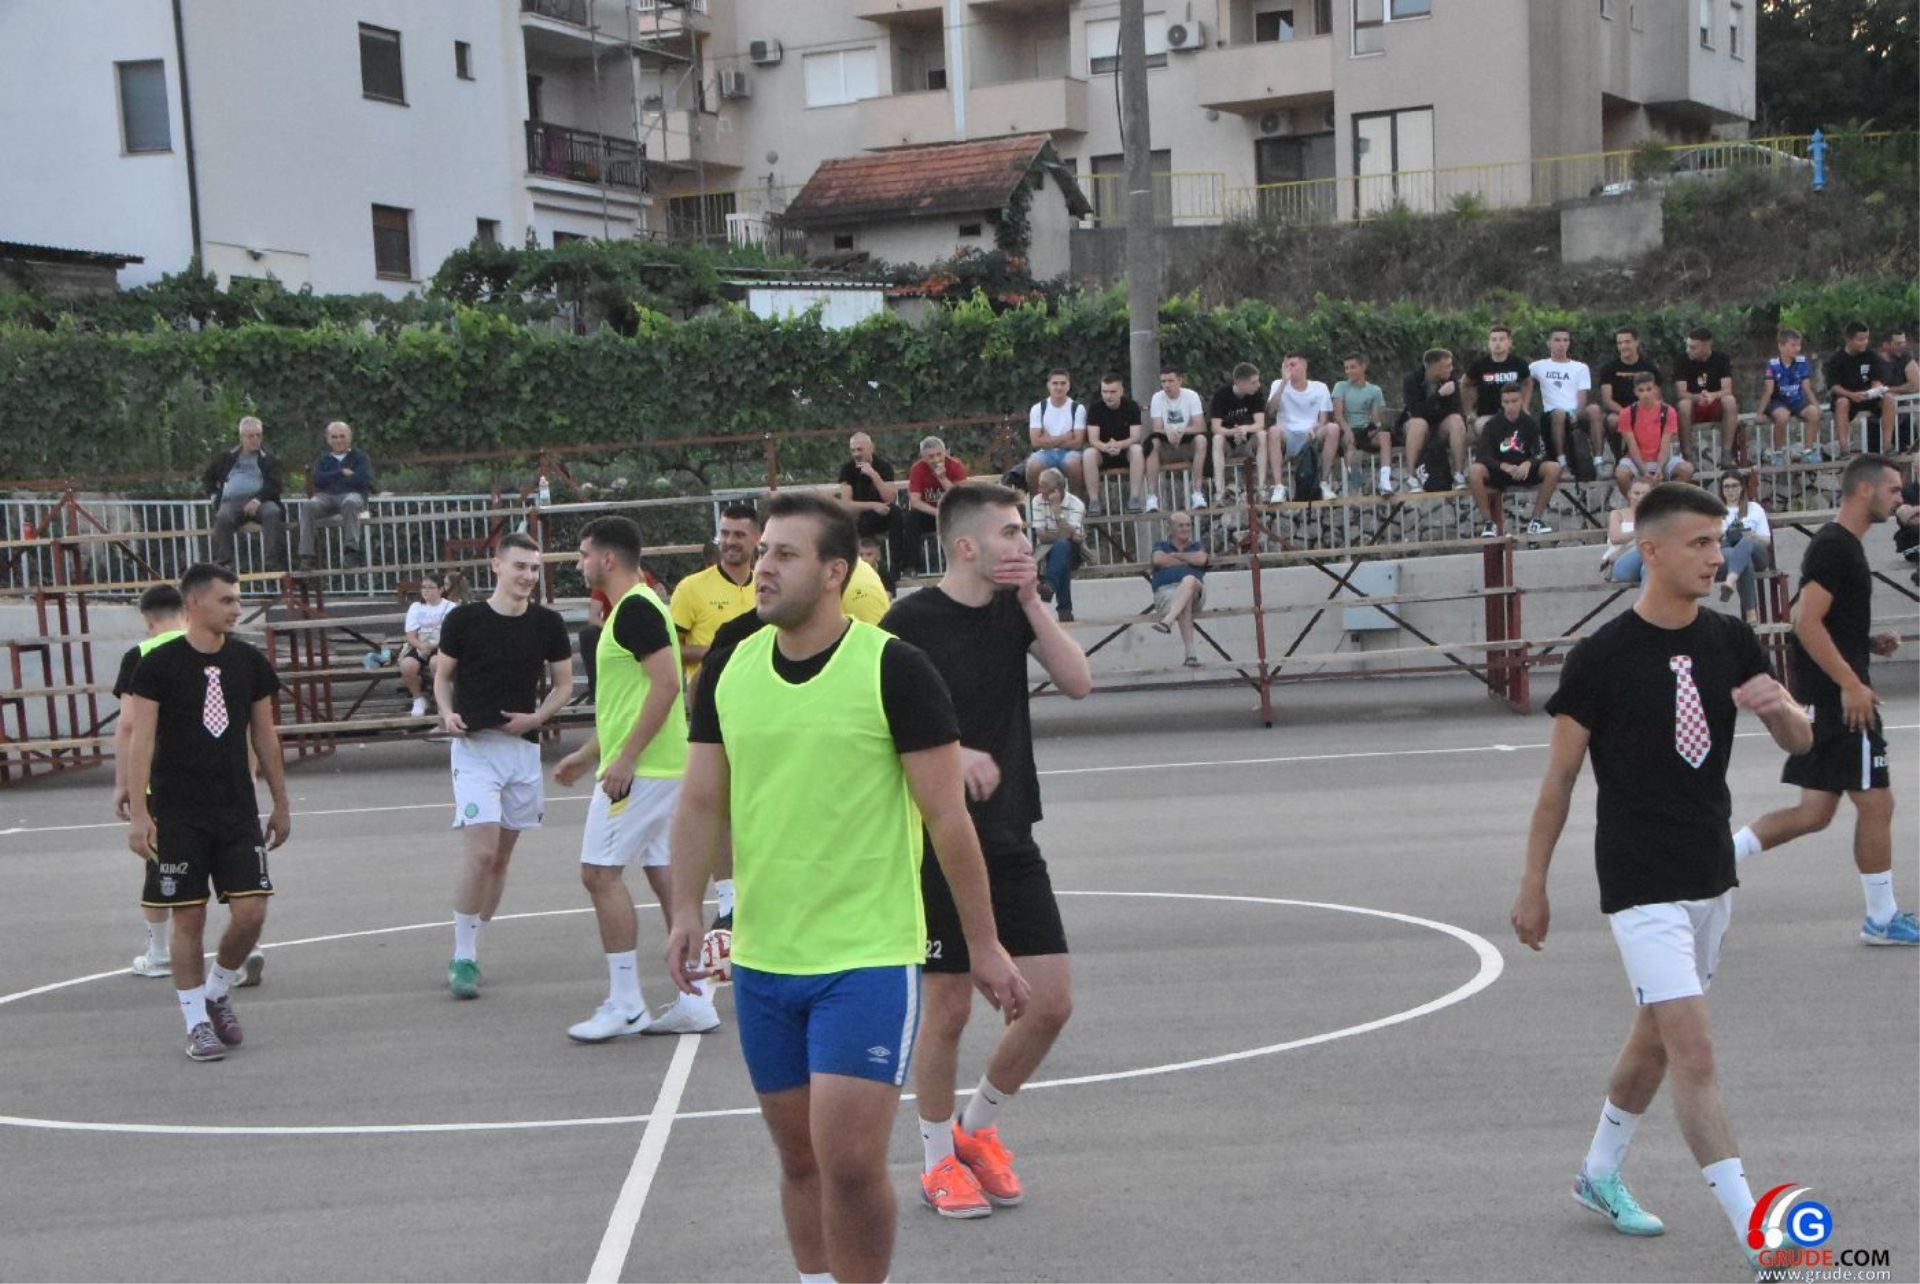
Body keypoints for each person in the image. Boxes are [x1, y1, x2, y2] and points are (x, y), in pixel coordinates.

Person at [662, 490, 1028, 1284]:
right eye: (762, 551)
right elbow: (699, 800)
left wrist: (985, 944)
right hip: (763, 960)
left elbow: (948, 820)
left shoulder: (894, 668)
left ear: (835, 572)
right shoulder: (730, 664)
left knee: (852, 1166)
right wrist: (687, 908)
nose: (762, 566)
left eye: (783, 555)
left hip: (865, 957)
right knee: (799, 1161)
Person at [1511, 482, 1811, 1276]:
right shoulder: (1600, 657)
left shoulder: (1731, 638)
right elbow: (1559, 781)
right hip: (1638, 877)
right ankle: (1760, 1235)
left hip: (1710, 870)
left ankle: (1597, 1172)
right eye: (1700, 543)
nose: (1717, 556)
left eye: (1720, 541)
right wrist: (1534, 883)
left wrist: (1779, 711)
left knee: (1655, 1035)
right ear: (1650, 551)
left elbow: (1800, 737)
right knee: (1694, 1051)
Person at [881, 481, 1091, 1220]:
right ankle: (937, 1159)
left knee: (1049, 1003)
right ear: (966, 545)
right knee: (948, 1009)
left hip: (1009, 831)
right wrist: (951, 753)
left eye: (1024, 531)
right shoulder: (907, 624)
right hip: (935, 839)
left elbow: (1078, 681)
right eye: (1011, 531)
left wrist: (1033, 602)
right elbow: (872, 724)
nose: (1024, 542)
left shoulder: (1014, 610)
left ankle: (976, 1128)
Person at [1732, 454, 1920, 945]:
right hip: (1842, 703)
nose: (1900, 499)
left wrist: (1866, 643)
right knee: (1877, 803)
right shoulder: (1835, 547)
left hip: (1828, 697)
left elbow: (1825, 624)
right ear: (1865, 490)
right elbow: (1805, 623)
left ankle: (1715, 859)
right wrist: (1851, 683)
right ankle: (1882, 919)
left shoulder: (1841, 546)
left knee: (1814, 812)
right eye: (1894, 490)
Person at [553, 516, 717, 1041]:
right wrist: (589, 755)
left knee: (598, 873)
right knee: (665, 874)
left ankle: (626, 1003)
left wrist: (624, 760)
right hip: (658, 766)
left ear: (607, 558)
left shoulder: (635, 610)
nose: (579, 564)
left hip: (643, 771)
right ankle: (696, 997)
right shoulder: (633, 608)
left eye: (583, 554)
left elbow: (667, 685)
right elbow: (630, 703)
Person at [123, 563, 291, 1061]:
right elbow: (140, 741)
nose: (236, 609)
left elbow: (264, 735)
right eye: (227, 600)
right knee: (189, 918)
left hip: (236, 808)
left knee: (252, 911)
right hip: (178, 812)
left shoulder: (248, 662)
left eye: (237, 599)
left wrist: (281, 802)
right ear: (194, 603)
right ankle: (195, 1020)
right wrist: (140, 813)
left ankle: (217, 991)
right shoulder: (157, 665)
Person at [432, 532, 575, 998]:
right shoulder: (464, 619)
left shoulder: (547, 623)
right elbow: (442, 677)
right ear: (496, 565)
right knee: (481, 854)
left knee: (500, 859)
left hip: (522, 751)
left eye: (533, 568)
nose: (528, 576)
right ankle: (463, 955)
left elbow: (564, 685)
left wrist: (536, 718)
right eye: (520, 566)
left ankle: (475, 941)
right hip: (476, 749)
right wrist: (446, 712)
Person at [112, 584, 265, 989]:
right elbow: (246, 723)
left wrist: (123, 783)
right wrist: (250, 771)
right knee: (236, 868)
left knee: (166, 873)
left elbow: (129, 726)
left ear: (146, 619)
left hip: (168, 785)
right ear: (187, 611)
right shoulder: (218, 649)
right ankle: (246, 945)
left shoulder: (143, 656)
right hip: (228, 780)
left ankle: (159, 953)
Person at [671, 504, 761, 681]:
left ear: (757, 538)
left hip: (759, 690)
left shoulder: (766, 587)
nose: (730, 541)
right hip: (710, 692)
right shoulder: (690, 587)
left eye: (739, 535)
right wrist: (719, 652)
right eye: (725, 533)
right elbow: (669, 649)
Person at [1468, 384, 1561, 537]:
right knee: (1474, 470)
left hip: (1524, 471)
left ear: (1521, 401)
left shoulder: (1530, 423)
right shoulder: (1491, 425)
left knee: (1553, 467)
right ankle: (1488, 523)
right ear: (1501, 402)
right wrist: (1501, 466)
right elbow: (1482, 455)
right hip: (1500, 472)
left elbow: (1541, 452)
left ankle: (1536, 521)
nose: (1510, 406)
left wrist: (1529, 463)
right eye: (1506, 402)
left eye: (1514, 401)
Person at [203, 416, 288, 573]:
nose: (255, 440)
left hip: (262, 501)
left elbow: (275, 485)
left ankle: (272, 564)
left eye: (258, 435)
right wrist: (213, 494)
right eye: (250, 436)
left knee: (273, 512)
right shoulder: (226, 457)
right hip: (233, 501)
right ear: (241, 437)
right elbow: (208, 477)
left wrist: (257, 499)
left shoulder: (268, 459)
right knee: (223, 518)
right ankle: (224, 565)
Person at [297, 420, 375, 570]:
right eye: (334, 437)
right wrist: (341, 473)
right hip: (326, 497)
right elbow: (317, 480)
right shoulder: (323, 459)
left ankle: (351, 552)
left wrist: (331, 478)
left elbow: (362, 479)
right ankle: (306, 556)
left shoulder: (360, 457)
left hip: (352, 495)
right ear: (328, 439)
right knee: (308, 506)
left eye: (342, 436)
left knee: (350, 503)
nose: (338, 440)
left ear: (349, 437)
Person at [1267, 354, 1342, 502]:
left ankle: (1324, 483)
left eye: (1293, 365)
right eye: (1286, 365)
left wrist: (1316, 427)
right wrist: (1283, 383)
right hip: (1287, 434)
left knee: (1333, 428)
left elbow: (1323, 420)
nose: (1289, 368)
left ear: (1304, 366)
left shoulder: (1320, 387)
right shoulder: (1277, 384)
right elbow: (1270, 411)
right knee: (1273, 430)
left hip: (1311, 434)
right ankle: (1278, 487)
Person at [1530, 328, 1602, 477]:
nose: (1561, 344)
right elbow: (1523, 380)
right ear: (1549, 343)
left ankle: (1599, 462)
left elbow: (1582, 395)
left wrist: (1576, 414)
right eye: (1557, 340)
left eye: (1565, 340)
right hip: (1553, 414)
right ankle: (1562, 465)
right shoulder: (1537, 366)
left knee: (1594, 409)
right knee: (1559, 413)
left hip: (1574, 411)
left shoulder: (1580, 367)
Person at [1613, 373, 1694, 499]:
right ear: (1635, 392)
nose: (1645, 394)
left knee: (1686, 469)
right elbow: (1632, 446)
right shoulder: (1626, 413)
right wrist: (1644, 471)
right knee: (1621, 474)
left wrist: (1660, 468)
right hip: (1636, 459)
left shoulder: (1668, 411)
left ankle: (1668, 501)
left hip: (1661, 459)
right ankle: (1635, 504)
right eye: (1641, 390)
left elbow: (1665, 443)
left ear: (1655, 389)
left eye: (1649, 389)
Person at [1397, 349, 1468, 492]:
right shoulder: (1412, 380)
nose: (1451, 369)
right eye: (1447, 366)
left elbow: (1456, 409)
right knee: (1419, 423)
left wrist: (1432, 409)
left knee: (1456, 420)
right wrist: (1439, 395)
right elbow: (1415, 411)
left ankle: (1459, 475)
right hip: (1416, 427)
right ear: (1434, 367)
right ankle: (1411, 477)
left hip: (1439, 426)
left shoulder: (1451, 379)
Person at [1672, 327, 1743, 466]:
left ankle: (1727, 454)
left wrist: (1712, 396)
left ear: (1705, 347)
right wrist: (1699, 398)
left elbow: (1727, 389)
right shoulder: (1681, 360)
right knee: (1683, 404)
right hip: (1693, 406)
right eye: (1688, 346)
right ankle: (1687, 456)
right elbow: (1681, 393)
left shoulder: (1721, 359)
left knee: (1730, 401)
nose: (1688, 350)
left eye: (1693, 347)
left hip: (1714, 405)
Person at [1145, 365, 1209, 513]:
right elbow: (1157, 428)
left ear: (1180, 381)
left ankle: (1197, 493)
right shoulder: (1157, 397)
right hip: (1166, 445)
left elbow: (1200, 426)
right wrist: (1169, 432)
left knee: (1201, 440)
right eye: (1163, 381)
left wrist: (1180, 431)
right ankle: (1152, 497)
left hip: (1186, 444)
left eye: (1170, 381)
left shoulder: (1191, 395)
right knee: (1153, 443)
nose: (1166, 385)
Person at [1149, 511, 1208, 667]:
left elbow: (1201, 559)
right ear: (1171, 529)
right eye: (1181, 525)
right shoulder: (1161, 545)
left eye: (1188, 525)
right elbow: (1159, 560)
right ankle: (1190, 655)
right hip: (1167, 595)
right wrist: (1188, 559)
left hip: (1196, 594)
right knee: (1184, 598)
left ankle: (1168, 621)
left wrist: (1175, 556)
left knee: (1189, 580)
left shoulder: (1196, 545)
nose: (1186, 528)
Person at [1596, 327, 1663, 464]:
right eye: (1619, 343)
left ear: (1636, 342)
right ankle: (1618, 457)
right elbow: (1607, 400)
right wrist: (1627, 413)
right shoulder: (1609, 369)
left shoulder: (1650, 368)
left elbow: (1657, 397)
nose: (1623, 346)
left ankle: (1647, 457)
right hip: (1619, 411)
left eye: (1627, 342)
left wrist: (1642, 413)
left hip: (1646, 410)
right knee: (1613, 421)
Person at [1825, 321, 1892, 456]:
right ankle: (1844, 450)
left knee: (1889, 399)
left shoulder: (1871, 356)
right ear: (1849, 340)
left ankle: (1887, 446)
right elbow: (1834, 386)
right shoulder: (1836, 359)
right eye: (1860, 340)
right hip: (1847, 396)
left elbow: (1877, 379)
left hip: (1868, 396)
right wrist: (1851, 395)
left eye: (1866, 339)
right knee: (1842, 403)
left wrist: (1876, 389)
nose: (1864, 343)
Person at [1082, 372, 1146, 512]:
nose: (1108, 396)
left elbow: (1136, 437)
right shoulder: (1095, 408)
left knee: (1137, 450)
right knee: (1088, 454)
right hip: (1103, 452)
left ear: (1121, 391)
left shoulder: (1132, 406)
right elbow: (1093, 439)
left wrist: (1119, 445)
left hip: (1126, 451)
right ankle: (1094, 501)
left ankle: (1134, 498)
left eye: (1112, 392)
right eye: (1104, 392)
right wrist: (1106, 447)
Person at [1028, 467, 1084, 623]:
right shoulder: (1037, 500)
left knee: (1063, 547)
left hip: (1074, 551)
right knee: (1062, 550)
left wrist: (1057, 510)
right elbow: (1041, 535)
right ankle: (1064, 609)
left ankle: (1050, 585)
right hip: (1048, 552)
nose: (1039, 490)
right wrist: (1067, 534)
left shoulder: (1076, 504)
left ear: (1056, 489)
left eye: (1043, 486)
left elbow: (1070, 537)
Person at [1209, 362, 1271, 503]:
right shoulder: (1221, 395)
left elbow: (1260, 424)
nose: (1258, 385)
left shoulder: (1256, 394)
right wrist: (1233, 432)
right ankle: (1219, 491)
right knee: (1217, 439)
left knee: (1262, 435)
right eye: (1253, 382)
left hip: (1248, 441)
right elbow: (1215, 427)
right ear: (1240, 382)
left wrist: (1245, 429)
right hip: (1229, 442)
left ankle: (1261, 488)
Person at [1715, 473, 1772, 626]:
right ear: (1721, 490)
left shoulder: (1754, 508)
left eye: (1734, 486)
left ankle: (1730, 581)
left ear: (1741, 488)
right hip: (1730, 554)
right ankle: (1751, 613)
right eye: (1726, 487)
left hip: (1757, 554)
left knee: (1745, 542)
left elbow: (1767, 541)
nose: (1731, 490)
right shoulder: (1716, 512)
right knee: (1743, 560)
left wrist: (1753, 536)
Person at [1332, 354, 1392, 495]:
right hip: (1347, 428)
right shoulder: (1340, 386)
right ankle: (1355, 486)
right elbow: (1338, 416)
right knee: (1350, 445)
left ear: (1363, 367)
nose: (1349, 371)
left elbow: (1376, 418)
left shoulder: (1374, 390)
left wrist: (1374, 427)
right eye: (1346, 368)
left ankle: (1385, 481)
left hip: (1365, 430)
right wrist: (1348, 431)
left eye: (1352, 367)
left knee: (1385, 436)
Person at [1761, 329, 1823, 464]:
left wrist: (1816, 405)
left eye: (1798, 345)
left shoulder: (1802, 362)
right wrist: (1760, 412)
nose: (1797, 349)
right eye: (1793, 345)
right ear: (1781, 346)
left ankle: (1808, 451)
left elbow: (1807, 388)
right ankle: (1778, 453)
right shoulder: (1773, 364)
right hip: (1778, 401)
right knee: (1782, 416)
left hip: (1797, 401)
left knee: (1813, 412)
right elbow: (1768, 391)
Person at [907, 436, 970, 571]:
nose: (936, 460)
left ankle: (959, 565)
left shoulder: (955, 466)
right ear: (923, 457)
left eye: (939, 454)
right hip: (931, 513)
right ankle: (911, 566)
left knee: (964, 518)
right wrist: (937, 512)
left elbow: (961, 497)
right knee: (912, 518)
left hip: (953, 512)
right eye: (931, 457)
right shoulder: (917, 469)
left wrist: (942, 478)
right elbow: (915, 501)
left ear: (945, 452)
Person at [837, 432, 900, 563]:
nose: (856, 454)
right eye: (853, 450)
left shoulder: (883, 466)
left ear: (871, 448)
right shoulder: (847, 469)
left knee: (896, 513)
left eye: (860, 449)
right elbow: (847, 503)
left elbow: (890, 498)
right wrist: (873, 505)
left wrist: (874, 475)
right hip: (859, 514)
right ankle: (864, 564)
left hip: (881, 514)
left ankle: (896, 565)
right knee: (862, 522)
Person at [400, 571, 454, 718]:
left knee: (436, 663)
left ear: (441, 589)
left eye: (431, 587)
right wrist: (421, 645)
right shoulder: (416, 607)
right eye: (424, 587)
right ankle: (418, 699)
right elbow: (410, 635)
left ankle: (441, 701)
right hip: (421, 645)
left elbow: (454, 634)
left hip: (443, 646)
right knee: (407, 665)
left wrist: (436, 646)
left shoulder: (450, 607)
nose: (426, 591)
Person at [1026, 370, 1086, 499]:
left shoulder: (1077, 408)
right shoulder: (1038, 408)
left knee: (1073, 464)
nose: (1059, 387)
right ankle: (1037, 503)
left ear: (1069, 385)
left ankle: (1076, 503)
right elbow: (1035, 442)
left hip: (1070, 452)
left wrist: (1048, 440)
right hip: (1045, 453)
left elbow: (1077, 443)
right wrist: (1065, 436)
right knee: (1032, 466)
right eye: (1055, 383)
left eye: (1063, 383)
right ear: (1048, 385)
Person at [1467, 324, 1533, 427]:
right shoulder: (1479, 364)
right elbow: (1465, 384)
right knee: (1483, 427)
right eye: (1493, 340)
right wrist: (1469, 410)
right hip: (1486, 415)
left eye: (1501, 339)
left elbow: (1527, 383)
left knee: (1528, 425)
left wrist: (1525, 406)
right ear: (1489, 343)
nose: (1497, 343)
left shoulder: (1519, 363)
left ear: (1510, 342)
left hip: (1514, 414)